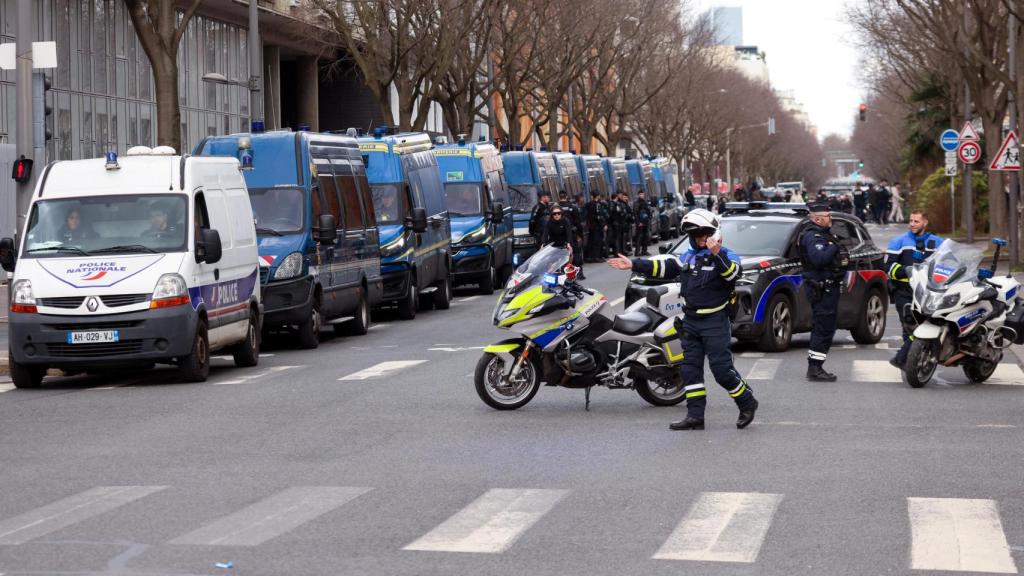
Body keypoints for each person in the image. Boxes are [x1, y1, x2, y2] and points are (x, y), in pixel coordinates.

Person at [607, 208, 758, 431]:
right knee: (689, 370)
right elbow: (664, 267)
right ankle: (695, 416)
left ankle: (747, 401)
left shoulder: (727, 256)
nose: (700, 239)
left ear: (715, 234)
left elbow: (732, 275)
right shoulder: (687, 256)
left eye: (704, 234)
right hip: (690, 322)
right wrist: (633, 264)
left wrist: (716, 254)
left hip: (715, 322)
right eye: (696, 235)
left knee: (722, 370)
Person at [799, 200, 850, 382]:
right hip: (822, 288)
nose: (831, 219)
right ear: (818, 219)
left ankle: (816, 366)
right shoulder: (813, 237)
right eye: (828, 216)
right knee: (823, 328)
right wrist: (834, 246)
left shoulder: (824, 235)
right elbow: (819, 259)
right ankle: (815, 368)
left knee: (825, 327)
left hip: (828, 287)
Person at [886, 210, 944, 370]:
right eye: (910, 221)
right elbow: (888, 267)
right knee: (909, 327)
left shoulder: (938, 242)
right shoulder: (899, 242)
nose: (912, 224)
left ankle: (907, 359)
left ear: (925, 222)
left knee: (930, 325)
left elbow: (949, 264)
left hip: (929, 292)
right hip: (904, 291)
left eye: (916, 221)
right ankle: (908, 360)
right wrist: (906, 270)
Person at [585, 192, 608, 262]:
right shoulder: (599, 204)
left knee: (594, 242)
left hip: (592, 226)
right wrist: (604, 224)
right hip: (598, 226)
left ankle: (595, 256)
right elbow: (601, 216)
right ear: (597, 196)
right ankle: (598, 257)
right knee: (598, 242)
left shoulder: (588, 204)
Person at [633, 190, 651, 256]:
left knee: (646, 237)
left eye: (643, 194)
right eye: (640, 194)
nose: (642, 195)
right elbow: (635, 214)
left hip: (646, 222)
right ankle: (637, 252)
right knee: (639, 237)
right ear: (638, 195)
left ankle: (644, 251)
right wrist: (638, 223)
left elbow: (648, 211)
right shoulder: (636, 203)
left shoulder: (645, 202)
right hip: (640, 223)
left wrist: (649, 218)